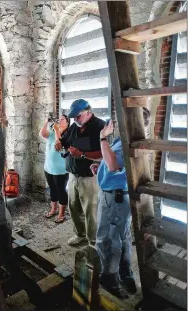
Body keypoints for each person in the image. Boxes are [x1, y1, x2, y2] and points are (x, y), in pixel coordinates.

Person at [90, 108, 149, 298]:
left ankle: (110, 281)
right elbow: (112, 165)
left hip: (114, 199)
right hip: (117, 194)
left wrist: (102, 137)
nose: (112, 123)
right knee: (121, 240)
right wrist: (101, 169)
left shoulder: (129, 143)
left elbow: (115, 165)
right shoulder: (124, 140)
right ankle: (126, 278)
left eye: (116, 120)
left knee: (107, 241)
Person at [55, 99, 105, 246]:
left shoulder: (100, 127)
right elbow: (65, 141)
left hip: (90, 178)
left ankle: (93, 240)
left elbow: (105, 154)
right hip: (73, 175)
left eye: (78, 116)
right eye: (74, 117)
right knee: (74, 207)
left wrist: (82, 154)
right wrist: (58, 143)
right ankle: (80, 234)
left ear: (89, 112)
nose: (75, 119)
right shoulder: (74, 127)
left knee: (91, 210)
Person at [39, 114, 70, 223]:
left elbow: (59, 145)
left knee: (61, 190)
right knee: (52, 188)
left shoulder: (67, 133)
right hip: (49, 167)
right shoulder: (52, 132)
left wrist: (57, 130)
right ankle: (54, 209)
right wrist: (47, 122)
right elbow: (42, 133)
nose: (60, 121)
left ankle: (62, 214)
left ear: (67, 123)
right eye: (59, 119)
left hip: (61, 169)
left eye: (62, 120)